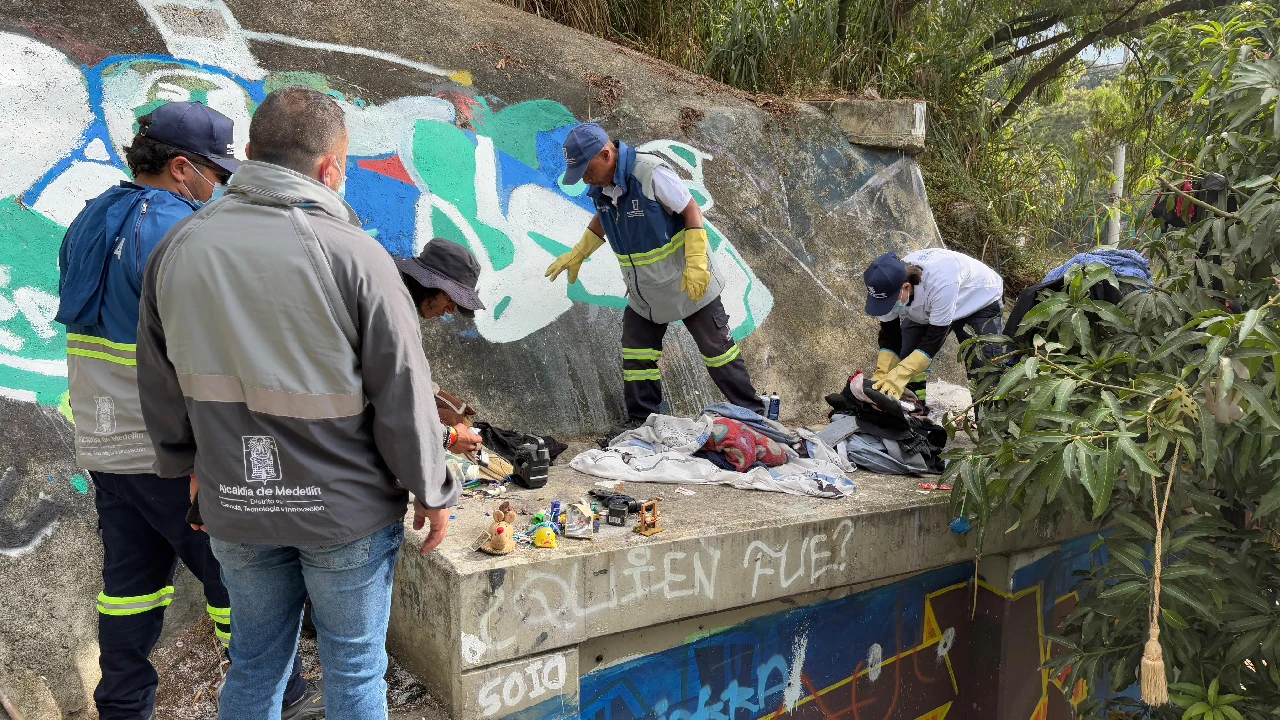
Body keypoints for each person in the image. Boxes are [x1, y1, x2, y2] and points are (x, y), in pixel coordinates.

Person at [135, 87, 456, 719]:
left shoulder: (177, 249)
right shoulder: (356, 256)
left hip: (237, 502)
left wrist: (187, 467)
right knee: (355, 669)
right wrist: (432, 488)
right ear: (331, 167)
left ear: (252, 152)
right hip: (344, 511)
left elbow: (159, 382)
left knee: (255, 664)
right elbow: (403, 393)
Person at [53, 102, 319, 720]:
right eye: (215, 173)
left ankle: (122, 708)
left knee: (131, 586)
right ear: (181, 167)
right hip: (165, 449)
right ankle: (285, 698)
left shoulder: (90, 218)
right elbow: (207, 354)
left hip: (102, 442)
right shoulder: (183, 234)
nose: (219, 185)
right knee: (239, 577)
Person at [547, 122, 765, 428]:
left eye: (587, 169)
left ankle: (754, 417)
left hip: (688, 281)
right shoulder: (601, 187)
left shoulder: (650, 173)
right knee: (637, 354)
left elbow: (691, 210)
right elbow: (605, 216)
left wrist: (697, 261)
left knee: (718, 352)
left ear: (606, 155)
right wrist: (580, 252)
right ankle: (642, 422)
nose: (585, 178)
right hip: (645, 293)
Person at [863, 247, 1005, 403]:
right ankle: (915, 410)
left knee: (984, 367)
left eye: (889, 302)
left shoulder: (940, 283)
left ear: (906, 287)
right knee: (906, 356)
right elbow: (890, 335)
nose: (886, 306)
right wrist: (883, 372)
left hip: (978, 300)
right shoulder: (886, 287)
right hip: (933, 305)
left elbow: (933, 340)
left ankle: (989, 414)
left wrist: (902, 372)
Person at [395, 238, 487, 454]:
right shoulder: (393, 309)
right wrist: (447, 436)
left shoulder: (402, 304)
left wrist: (433, 392)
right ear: (433, 285)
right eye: (451, 299)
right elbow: (392, 392)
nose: (450, 310)